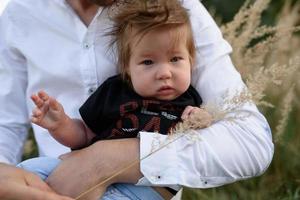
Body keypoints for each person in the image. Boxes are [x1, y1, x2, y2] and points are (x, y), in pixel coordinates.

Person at [0, 0, 274, 199]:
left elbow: (250, 141)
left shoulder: (174, 12)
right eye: (147, 62)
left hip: (142, 189)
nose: (164, 72)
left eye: (176, 60)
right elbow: (6, 125)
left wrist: (109, 159)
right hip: (52, 177)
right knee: (19, 173)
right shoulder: (19, 14)